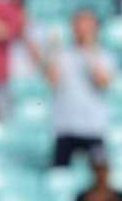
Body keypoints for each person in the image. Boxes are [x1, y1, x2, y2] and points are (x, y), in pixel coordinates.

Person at [28, 9, 115, 168]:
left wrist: (89, 51)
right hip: (65, 126)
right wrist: (48, 52)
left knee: (99, 172)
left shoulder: (104, 55)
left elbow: (102, 81)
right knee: (60, 173)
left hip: (93, 127)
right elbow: (52, 81)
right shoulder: (63, 54)